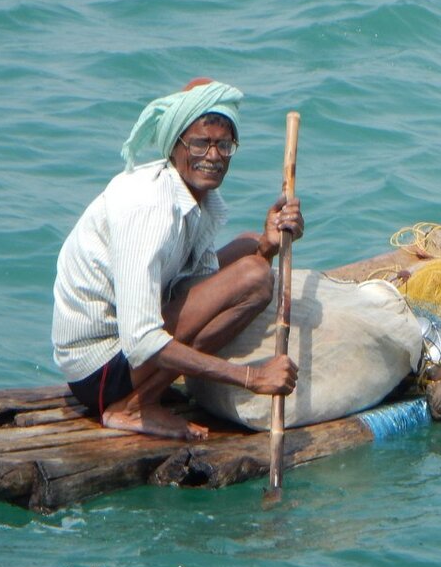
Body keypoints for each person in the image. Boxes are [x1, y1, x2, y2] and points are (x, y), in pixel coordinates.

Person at [52, 78, 303, 440]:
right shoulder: (148, 205)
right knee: (253, 277)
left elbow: (191, 289)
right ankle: (135, 405)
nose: (214, 156)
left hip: (128, 353)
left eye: (224, 145)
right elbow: (140, 339)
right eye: (201, 143)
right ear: (176, 146)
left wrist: (267, 245)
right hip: (100, 371)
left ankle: (142, 395)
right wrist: (252, 377)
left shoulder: (198, 201)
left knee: (250, 247)